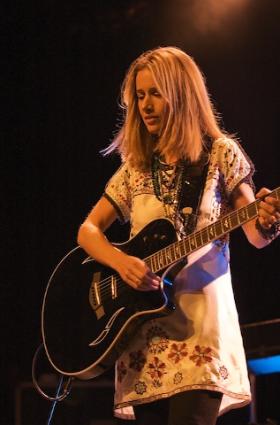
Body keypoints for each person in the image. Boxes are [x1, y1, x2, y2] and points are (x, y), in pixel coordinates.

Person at [77, 46, 280, 425]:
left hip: (200, 337)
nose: (146, 106)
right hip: (143, 339)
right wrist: (123, 263)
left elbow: (255, 234)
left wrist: (268, 219)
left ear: (182, 94)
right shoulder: (136, 168)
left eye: (156, 93)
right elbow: (88, 232)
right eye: (139, 96)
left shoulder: (221, 154)